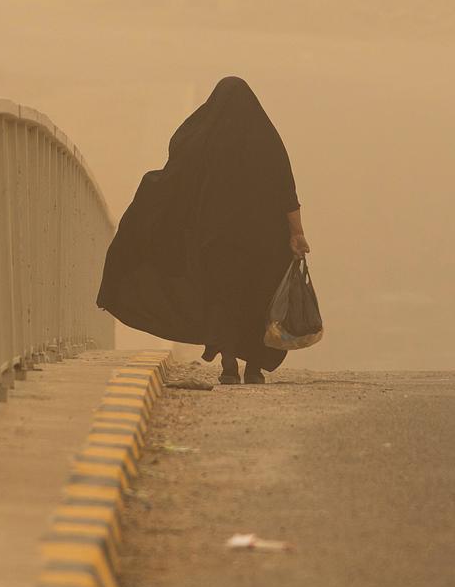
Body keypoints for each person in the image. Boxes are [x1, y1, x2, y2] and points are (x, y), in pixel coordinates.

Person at [95, 77, 310, 385]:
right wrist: (297, 233)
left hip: (216, 241)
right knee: (257, 298)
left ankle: (228, 364)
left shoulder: (204, 136)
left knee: (223, 298)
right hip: (264, 243)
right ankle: (254, 368)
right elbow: (287, 191)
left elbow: (176, 176)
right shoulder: (266, 139)